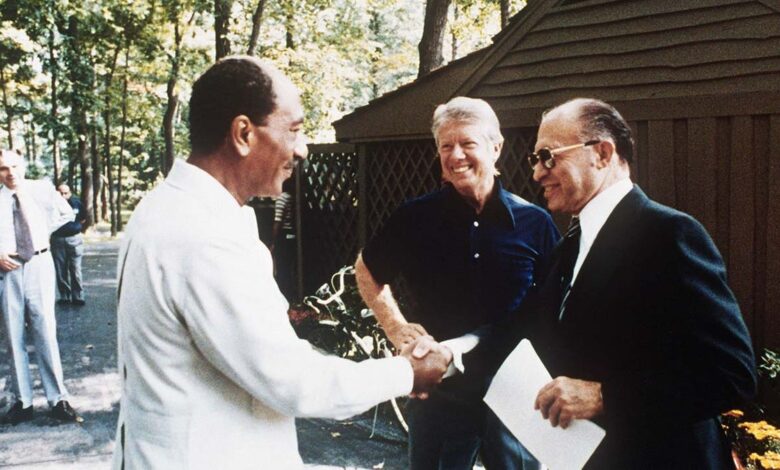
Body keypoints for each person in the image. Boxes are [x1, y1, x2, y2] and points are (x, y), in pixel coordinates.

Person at [111, 55, 451, 469]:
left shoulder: (166, 209)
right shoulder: (202, 236)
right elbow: (292, 380)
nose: (303, 149)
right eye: (294, 130)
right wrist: (407, 373)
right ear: (243, 134)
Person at [468, 98, 757, 469]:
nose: (538, 173)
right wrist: (444, 357)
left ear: (602, 153)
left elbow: (731, 373)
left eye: (548, 156)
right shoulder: (567, 249)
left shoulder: (669, 234)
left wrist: (606, 396)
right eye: (536, 160)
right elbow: (519, 330)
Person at [355, 97, 559, 469]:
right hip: (439, 391)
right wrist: (396, 326)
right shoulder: (415, 217)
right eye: (446, 146)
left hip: (513, 389)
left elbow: (553, 305)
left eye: (467, 143)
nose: (456, 155)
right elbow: (366, 270)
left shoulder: (536, 223)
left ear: (496, 148)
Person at [0, 149, 82, 425]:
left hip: (39, 262)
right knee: (13, 335)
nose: (10, 173)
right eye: (3, 169)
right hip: (8, 270)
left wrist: (41, 233)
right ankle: (22, 401)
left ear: (22, 166)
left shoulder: (42, 189)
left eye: (14, 166)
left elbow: (66, 212)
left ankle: (58, 398)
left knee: (45, 330)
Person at [51, 184, 86, 306]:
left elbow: (82, 218)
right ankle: (65, 296)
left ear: (70, 193)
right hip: (57, 240)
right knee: (60, 269)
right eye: (60, 193)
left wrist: (74, 228)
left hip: (74, 239)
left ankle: (78, 296)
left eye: (66, 193)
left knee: (75, 268)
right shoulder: (51, 205)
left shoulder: (76, 203)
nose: (63, 196)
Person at [270, 177, 297, 300]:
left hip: (284, 236)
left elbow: (278, 221)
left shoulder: (282, 198)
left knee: (281, 268)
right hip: (293, 235)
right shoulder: (293, 197)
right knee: (290, 266)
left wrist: (273, 240)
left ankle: (284, 295)